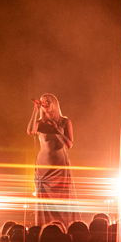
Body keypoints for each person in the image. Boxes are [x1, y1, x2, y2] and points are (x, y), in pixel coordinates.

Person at [27, 93, 77, 227]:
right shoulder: (40, 123)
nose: (45, 103)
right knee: (44, 202)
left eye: (47, 101)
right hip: (43, 167)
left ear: (54, 103)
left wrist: (56, 130)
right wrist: (35, 111)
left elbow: (69, 144)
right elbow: (30, 131)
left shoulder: (64, 121)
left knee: (62, 201)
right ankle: (44, 229)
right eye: (42, 101)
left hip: (59, 166)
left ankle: (64, 227)